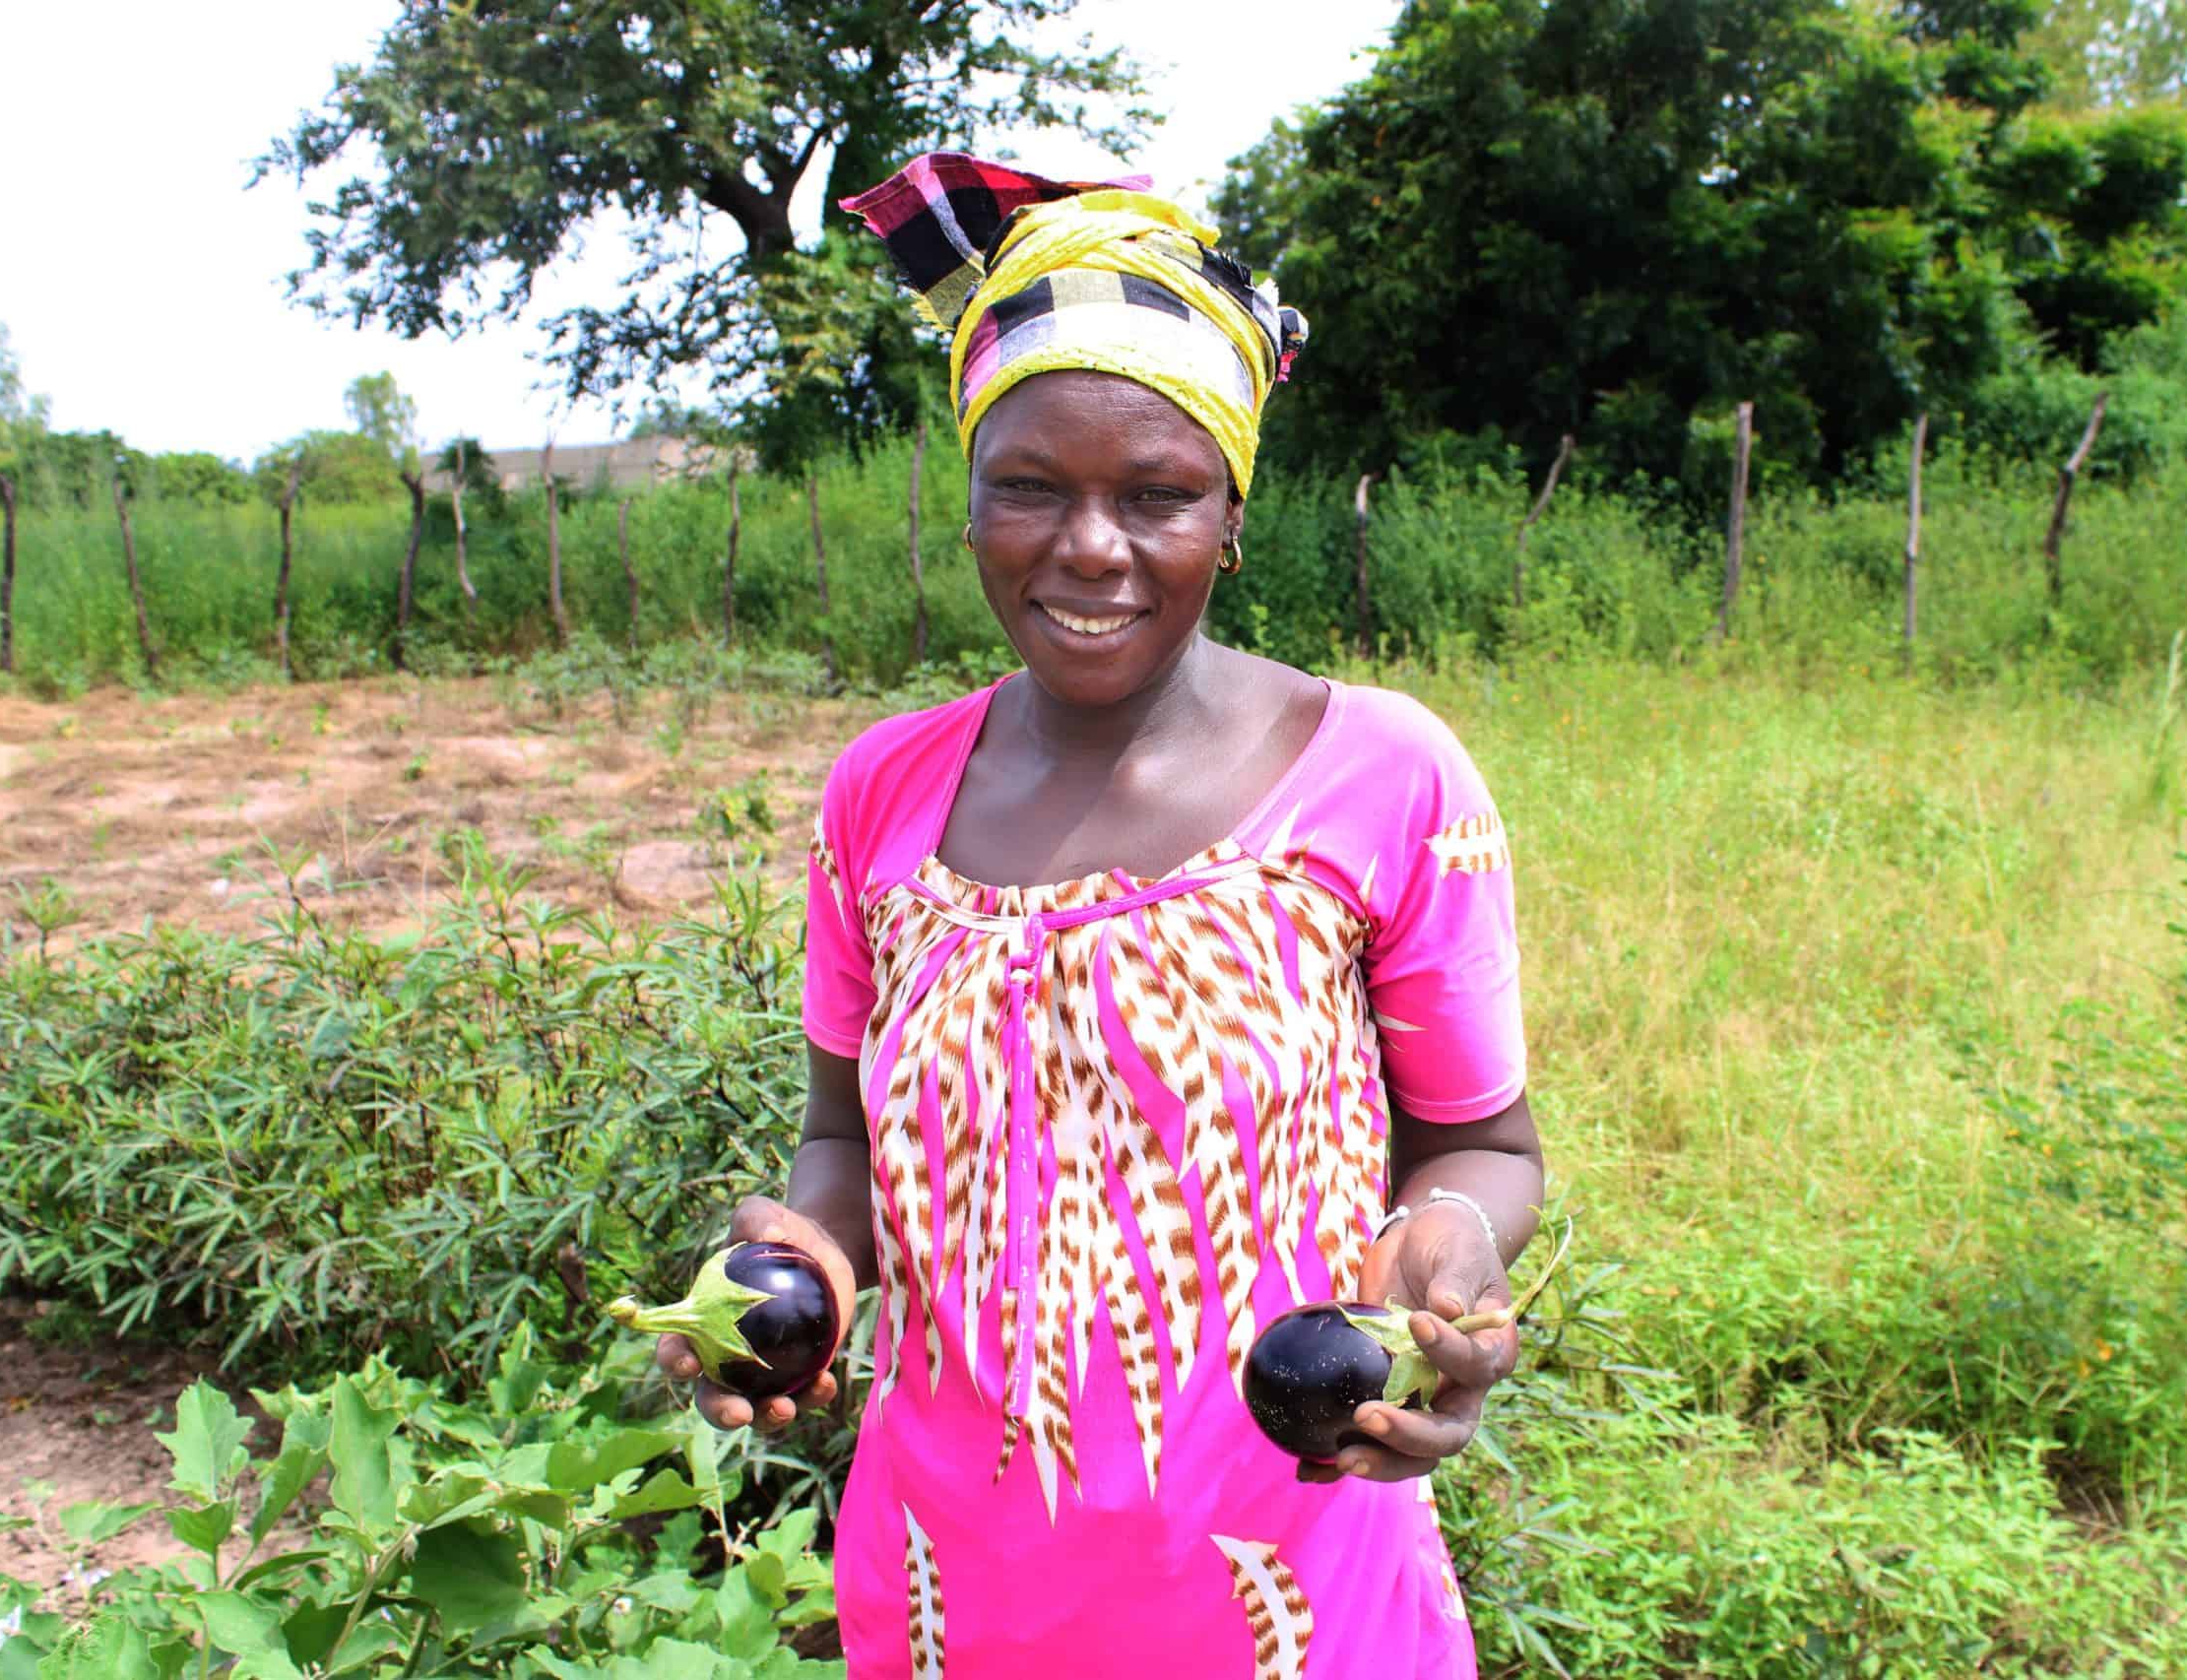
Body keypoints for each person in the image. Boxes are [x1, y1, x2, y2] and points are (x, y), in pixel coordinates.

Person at [655, 153, 1545, 1680]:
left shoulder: (1383, 772)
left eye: (1158, 493)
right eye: (1030, 487)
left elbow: (1489, 1142)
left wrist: (1443, 1256)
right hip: (948, 1587)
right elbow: (841, 1142)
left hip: (1296, 1584)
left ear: (1233, 513)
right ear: (969, 499)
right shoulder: (881, 792)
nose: (1090, 547)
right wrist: (804, 1258)